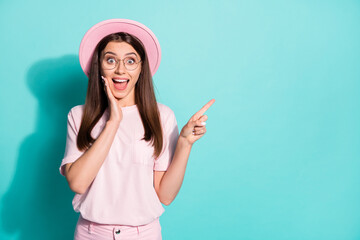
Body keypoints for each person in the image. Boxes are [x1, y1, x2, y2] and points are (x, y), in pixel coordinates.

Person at [59, 19, 215, 240]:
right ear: (99, 66)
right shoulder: (79, 116)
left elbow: (166, 195)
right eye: (110, 60)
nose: (120, 69)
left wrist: (184, 144)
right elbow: (78, 182)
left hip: (144, 234)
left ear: (142, 68)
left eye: (130, 61)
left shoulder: (162, 116)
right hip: (91, 234)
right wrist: (113, 122)